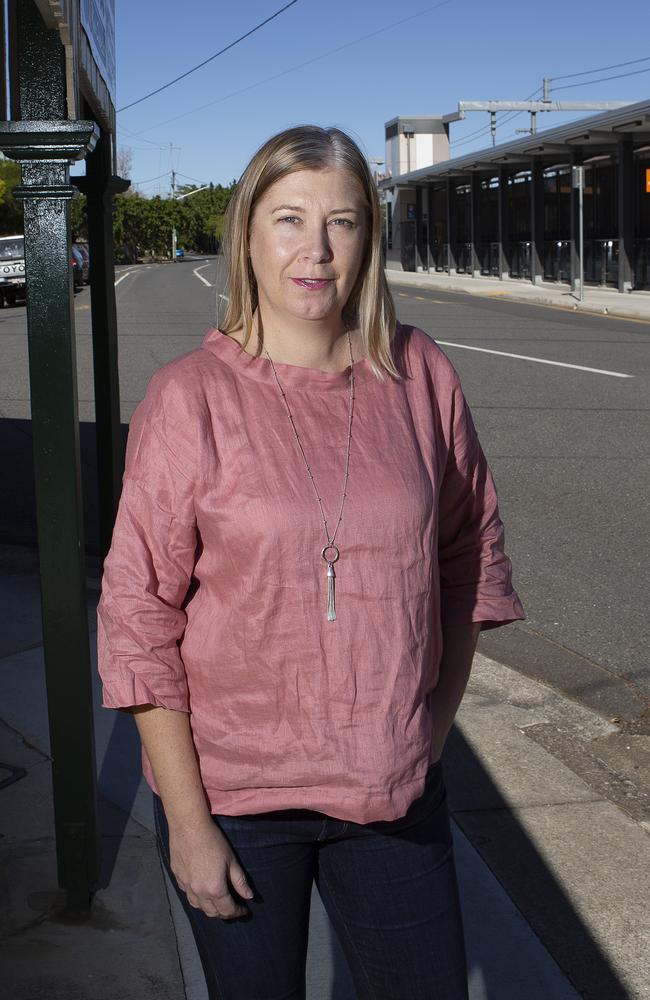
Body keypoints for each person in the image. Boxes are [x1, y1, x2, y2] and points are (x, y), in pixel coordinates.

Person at [97, 124, 525, 1000]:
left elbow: (468, 550)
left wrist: (430, 729)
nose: (317, 251)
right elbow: (138, 612)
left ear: (370, 236)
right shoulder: (191, 399)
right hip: (238, 800)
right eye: (289, 220)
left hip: (393, 795)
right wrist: (186, 821)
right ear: (247, 233)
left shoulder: (419, 372)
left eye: (345, 221)